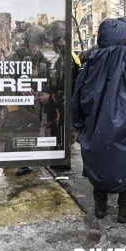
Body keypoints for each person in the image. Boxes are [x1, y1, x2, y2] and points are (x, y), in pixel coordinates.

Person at [71, 18, 126, 223]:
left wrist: (79, 121)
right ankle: (125, 207)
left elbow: (80, 91)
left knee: (99, 159)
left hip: (97, 118)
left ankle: (100, 204)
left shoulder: (94, 57)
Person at [0, 25, 49, 176]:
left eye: (38, 45)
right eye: (33, 44)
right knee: (11, 137)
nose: (35, 48)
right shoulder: (13, 57)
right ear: (27, 42)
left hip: (33, 107)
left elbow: (48, 82)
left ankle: (25, 163)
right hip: (15, 105)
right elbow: (1, 77)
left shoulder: (43, 59)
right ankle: (9, 163)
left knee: (31, 134)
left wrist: (45, 92)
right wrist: (16, 85)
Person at [43, 20, 81, 171]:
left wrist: (52, 98)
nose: (52, 45)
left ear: (60, 39)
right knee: (58, 133)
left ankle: (62, 162)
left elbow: (69, 86)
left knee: (63, 134)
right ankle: (59, 160)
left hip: (64, 105)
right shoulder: (62, 56)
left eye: (54, 41)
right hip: (60, 104)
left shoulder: (67, 58)